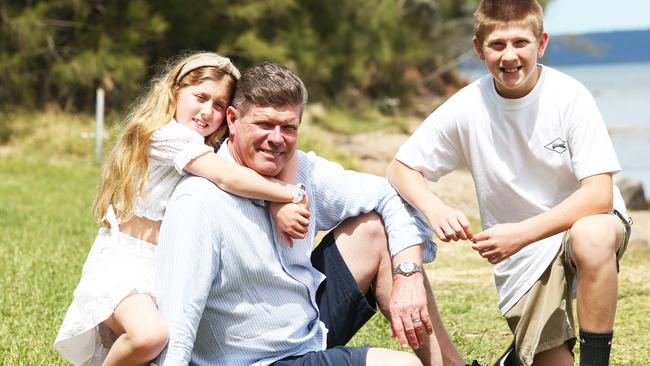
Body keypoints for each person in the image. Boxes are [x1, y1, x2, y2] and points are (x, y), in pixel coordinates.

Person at [153, 61, 479, 366]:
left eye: (288, 127)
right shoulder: (199, 201)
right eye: (265, 124)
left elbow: (388, 195)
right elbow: (180, 315)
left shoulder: (303, 170)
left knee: (374, 228)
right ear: (233, 120)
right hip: (253, 358)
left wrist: (407, 277)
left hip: (308, 331)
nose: (277, 139)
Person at [386, 1, 632, 365]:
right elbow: (400, 168)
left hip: (577, 229)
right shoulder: (467, 106)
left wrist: (519, 233)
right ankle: (517, 357)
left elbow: (598, 195)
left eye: (521, 42)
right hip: (523, 259)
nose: (510, 56)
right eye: (497, 45)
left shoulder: (570, 97)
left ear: (541, 43)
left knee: (591, 234)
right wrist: (435, 207)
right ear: (478, 48)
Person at [54, 52, 312, 366]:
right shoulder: (165, 136)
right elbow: (228, 176)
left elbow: (277, 161)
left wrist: (276, 204)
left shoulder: (207, 145)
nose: (207, 111)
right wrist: (289, 193)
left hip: (164, 266)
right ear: (176, 91)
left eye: (218, 105)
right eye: (200, 97)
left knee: (161, 349)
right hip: (125, 263)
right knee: (149, 337)